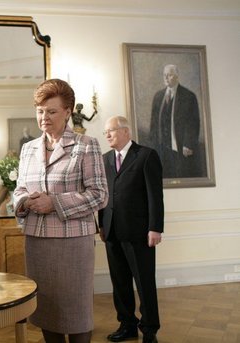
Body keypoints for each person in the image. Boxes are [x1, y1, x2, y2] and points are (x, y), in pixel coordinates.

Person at [13, 79, 108, 343]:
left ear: (68, 111)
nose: (44, 117)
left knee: (76, 314)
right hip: (37, 243)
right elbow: (19, 188)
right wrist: (24, 201)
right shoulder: (28, 149)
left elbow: (99, 196)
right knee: (47, 312)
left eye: (52, 111)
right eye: (40, 111)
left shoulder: (86, 145)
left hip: (73, 244)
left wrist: (54, 202)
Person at [98, 116, 164, 343]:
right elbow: (102, 194)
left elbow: (155, 196)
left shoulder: (146, 156)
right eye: (105, 131)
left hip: (139, 233)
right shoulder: (105, 159)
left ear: (126, 131)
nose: (107, 135)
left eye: (111, 131)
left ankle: (149, 330)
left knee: (144, 283)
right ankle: (127, 325)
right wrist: (101, 224)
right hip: (111, 232)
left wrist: (155, 228)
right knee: (120, 283)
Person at [149, 64, 200, 178]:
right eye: (164, 75)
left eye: (170, 75)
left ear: (177, 77)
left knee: (180, 174)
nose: (166, 78)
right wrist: (152, 147)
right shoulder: (158, 96)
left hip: (180, 147)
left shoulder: (188, 96)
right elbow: (153, 124)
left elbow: (193, 123)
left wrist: (188, 144)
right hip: (161, 148)